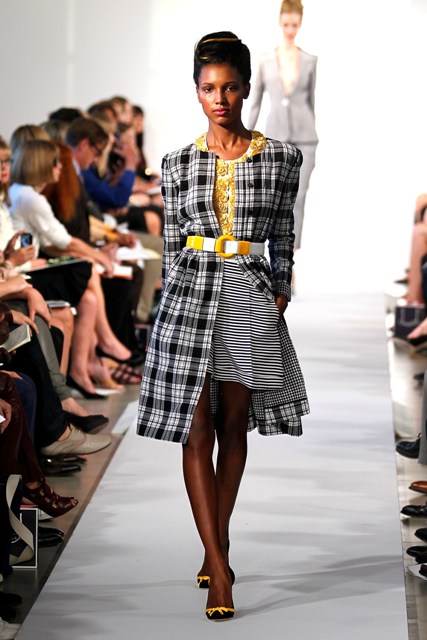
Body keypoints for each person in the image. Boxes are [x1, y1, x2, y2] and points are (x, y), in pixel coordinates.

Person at [137, 31, 309, 620]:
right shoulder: (176, 163)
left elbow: (282, 229)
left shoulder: (281, 158)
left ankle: (220, 541)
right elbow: (170, 244)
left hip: (246, 294)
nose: (220, 98)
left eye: (230, 87)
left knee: (234, 422)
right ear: (196, 90)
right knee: (196, 430)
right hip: (189, 294)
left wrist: (281, 287)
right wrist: (165, 306)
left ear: (247, 88)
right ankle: (218, 565)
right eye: (209, 88)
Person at [247, 0, 318, 251]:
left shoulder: (309, 60)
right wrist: (246, 136)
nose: (290, 30)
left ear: (300, 24)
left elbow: (310, 101)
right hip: (275, 136)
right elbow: (255, 102)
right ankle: (268, 254)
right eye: (287, 24)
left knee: (299, 197)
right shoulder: (266, 60)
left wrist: (314, 135)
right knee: (272, 197)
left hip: (305, 138)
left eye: (295, 25)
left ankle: (290, 259)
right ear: (280, 22)